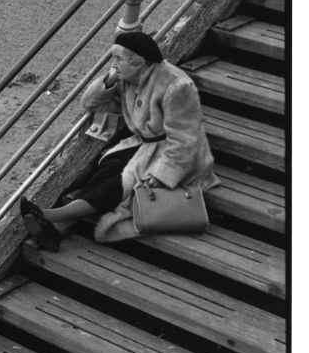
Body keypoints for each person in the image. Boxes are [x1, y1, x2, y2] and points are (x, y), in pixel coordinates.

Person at [19, 31, 219, 249]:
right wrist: (109, 81)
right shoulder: (128, 78)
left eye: (118, 59)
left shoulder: (176, 86)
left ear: (138, 62)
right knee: (107, 169)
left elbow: (186, 139)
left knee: (120, 184)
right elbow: (89, 104)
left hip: (176, 154)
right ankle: (55, 231)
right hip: (144, 145)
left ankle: (50, 216)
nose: (113, 64)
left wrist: (162, 174)